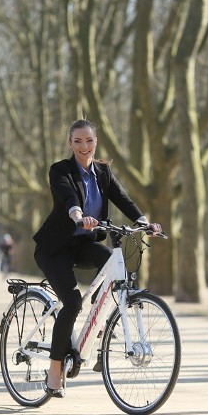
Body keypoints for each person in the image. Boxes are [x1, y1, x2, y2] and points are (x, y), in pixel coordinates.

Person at [32, 119, 161, 398]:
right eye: (78, 141)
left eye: (89, 140)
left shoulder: (103, 172)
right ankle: (55, 370)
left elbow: (121, 197)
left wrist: (144, 222)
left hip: (83, 244)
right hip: (54, 248)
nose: (84, 146)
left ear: (96, 142)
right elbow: (67, 195)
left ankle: (100, 329)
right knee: (72, 302)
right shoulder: (60, 170)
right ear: (70, 144)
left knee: (115, 268)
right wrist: (78, 214)